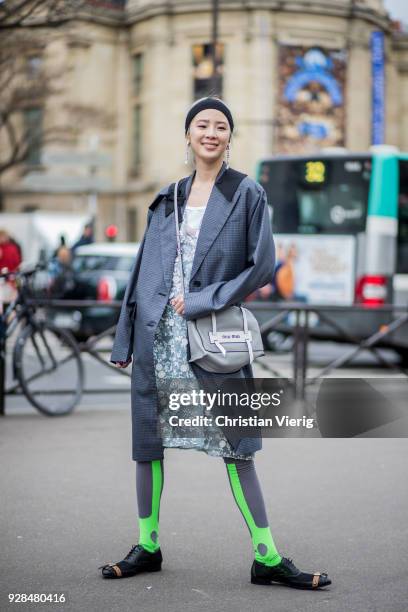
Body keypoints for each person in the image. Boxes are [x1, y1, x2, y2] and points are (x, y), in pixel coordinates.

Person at [99, 96, 332, 590]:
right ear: (188, 135)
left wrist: (206, 299)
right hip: (158, 337)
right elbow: (141, 270)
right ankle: (148, 545)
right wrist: (125, 337)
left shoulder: (247, 193)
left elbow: (263, 265)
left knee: (238, 445)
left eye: (220, 125)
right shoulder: (168, 197)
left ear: (229, 137)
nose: (210, 132)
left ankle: (267, 556)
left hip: (213, 337)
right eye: (201, 124)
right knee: (148, 445)